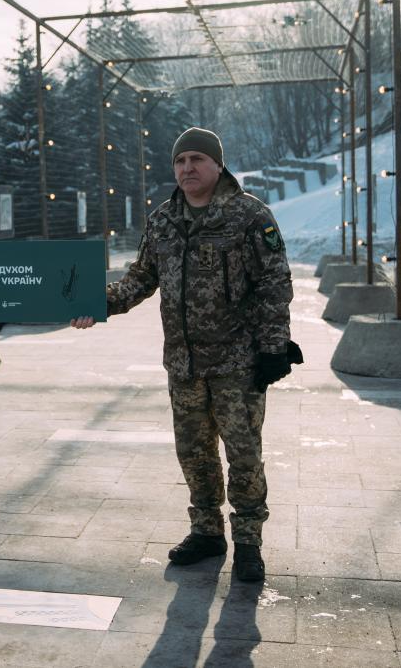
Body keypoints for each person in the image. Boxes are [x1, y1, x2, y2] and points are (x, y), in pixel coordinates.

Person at [72, 127, 298, 583]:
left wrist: (274, 347)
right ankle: (207, 532)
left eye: (197, 159)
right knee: (194, 454)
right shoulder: (162, 221)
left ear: (218, 164)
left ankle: (249, 541)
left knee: (244, 454)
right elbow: (139, 279)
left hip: (238, 365)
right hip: (184, 366)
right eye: (180, 161)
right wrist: (94, 305)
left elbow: (276, 284)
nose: (187, 168)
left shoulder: (251, 217)